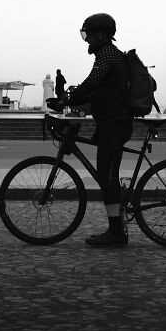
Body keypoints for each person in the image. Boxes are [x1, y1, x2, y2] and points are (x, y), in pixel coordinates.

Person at [49, 13, 132, 248]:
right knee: (108, 177)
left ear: (101, 35)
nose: (86, 40)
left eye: (88, 35)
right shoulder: (110, 54)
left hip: (115, 125)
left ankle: (116, 232)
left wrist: (65, 101)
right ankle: (118, 222)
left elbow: (92, 82)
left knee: (106, 178)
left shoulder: (106, 55)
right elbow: (94, 91)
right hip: (112, 123)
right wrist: (70, 100)